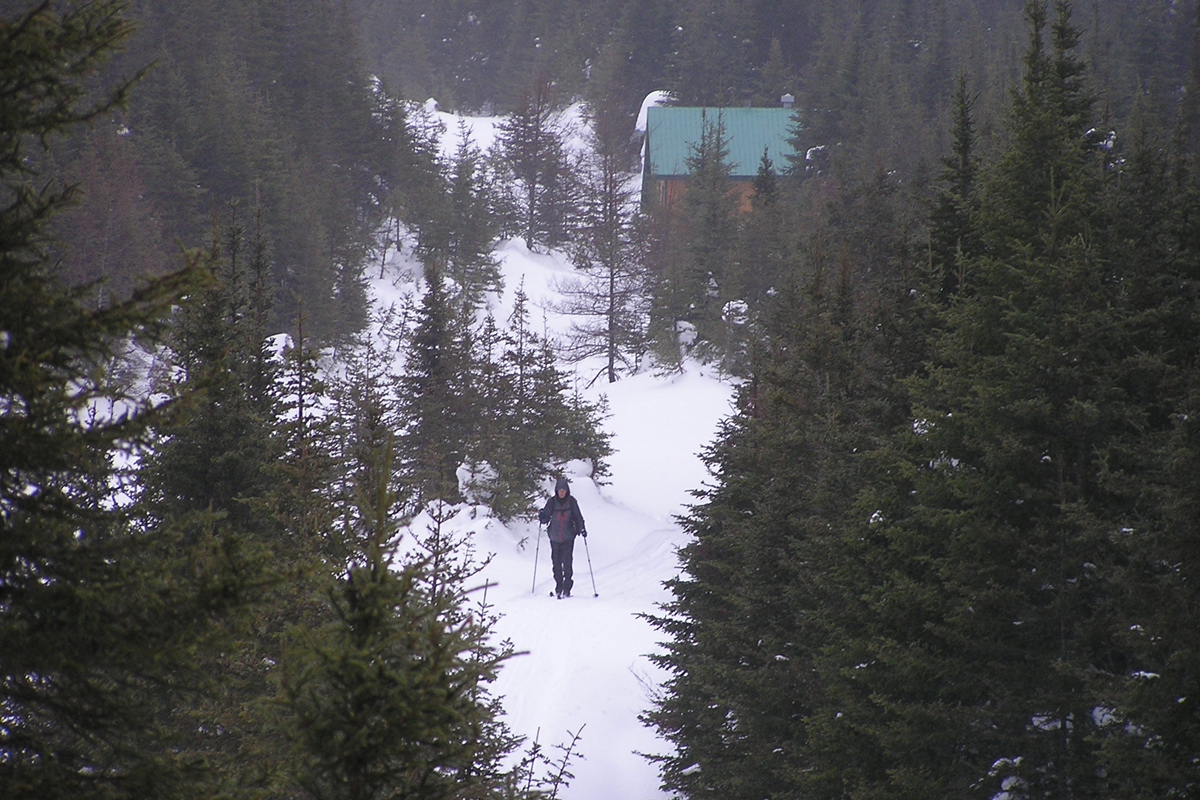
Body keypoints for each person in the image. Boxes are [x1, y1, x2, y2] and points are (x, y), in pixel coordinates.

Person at [538, 477, 586, 598]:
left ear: (567, 491)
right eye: (560, 490)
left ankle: (567, 588)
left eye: (564, 490)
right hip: (554, 537)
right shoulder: (552, 502)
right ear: (556, 490)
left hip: (568, 537)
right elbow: (545, 518)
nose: (562, 492)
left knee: (567, 563)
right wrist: (542, 516)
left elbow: (578, 517)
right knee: (556, 563)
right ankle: (559, 587)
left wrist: (582, 528)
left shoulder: (572, 502)